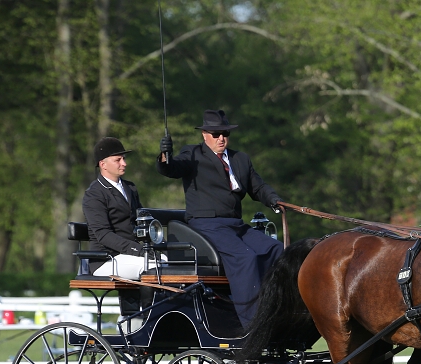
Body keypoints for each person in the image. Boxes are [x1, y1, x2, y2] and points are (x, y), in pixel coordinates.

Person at [156, 109, 283, 328]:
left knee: (276, 249)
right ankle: (253, 324)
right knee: (246, 258)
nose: (221, 138)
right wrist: (165, 155)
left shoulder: (240, 159)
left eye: (225, 133)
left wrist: (275, 200)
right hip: (207, 224)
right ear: (204, 135)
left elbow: (258, 187)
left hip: (236, 225)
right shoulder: (193, 155)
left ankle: (277, 310)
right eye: (216, 134)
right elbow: (171, 169)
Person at [83, 137, 161, 279]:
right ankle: (147, 302)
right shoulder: (94, 194)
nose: (124, 163)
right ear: (103, 164)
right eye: (118, 160)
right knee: (154, 266)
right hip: (107, 258)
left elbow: (141, 219)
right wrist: (138, 250)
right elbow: (103, 235)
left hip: (129, 255)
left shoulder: (129, 187)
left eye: (123, 159)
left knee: (169, 262)